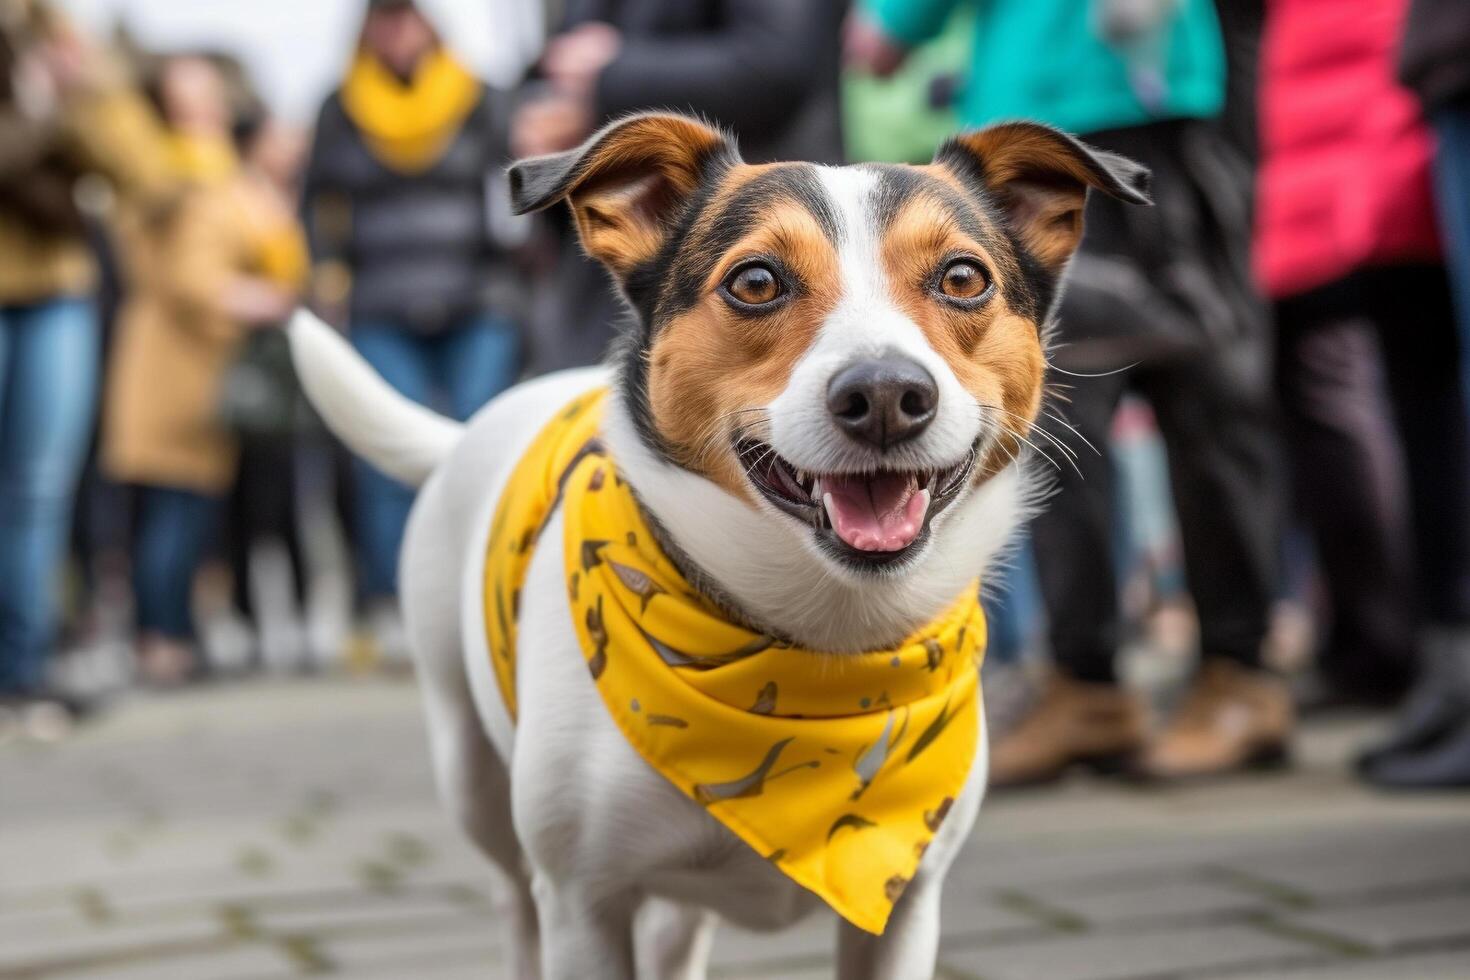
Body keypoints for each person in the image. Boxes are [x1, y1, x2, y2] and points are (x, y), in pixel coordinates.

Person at [849, 0, 1285, 784]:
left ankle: (1239, 673)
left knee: (1206, 401)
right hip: (1024, 132)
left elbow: (878, 43)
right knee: (1052, 414)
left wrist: (894, 23)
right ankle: (1086, 685)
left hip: (1141, 110)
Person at [1270, 0, 1470, 789]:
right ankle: (1442, 665)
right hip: (1397, 85)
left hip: (1391, 93)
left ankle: (1429, 656)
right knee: (1416, 396)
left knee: (1406, 400)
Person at [302, 0, 522, 632]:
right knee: (388, 451)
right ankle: (404, 603)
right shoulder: (339, 108)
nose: (397, 32)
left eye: (407, 17)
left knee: (482, 442)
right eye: (385, 18)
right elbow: (315, 203)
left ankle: (485, 589)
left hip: (477, 300)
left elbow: (511, 187)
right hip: (380, 303)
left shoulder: (480, 98)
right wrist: (325, 270)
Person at [102, 55, 304, 685]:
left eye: (208, 92)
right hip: (177, 368)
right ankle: (162, 641)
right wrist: (259, 297)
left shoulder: (213, 172)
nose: (204, 106)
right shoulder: (175, 176)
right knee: (174, 512)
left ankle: (174, 637)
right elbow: (192, 278)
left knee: (186, 513)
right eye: (188, 95)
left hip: (198, 364)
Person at [511, 0, 848, 374]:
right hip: (600, 247)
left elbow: (775, 63)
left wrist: (611, 75)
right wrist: (540, 116)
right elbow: (559, 60)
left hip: (756, 225)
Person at [0, 1, 170, 724]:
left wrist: (84, 87)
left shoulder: (57, 41)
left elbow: (150, 176)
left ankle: (24, 669)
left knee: (40, 490)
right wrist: (48, 125)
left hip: (58, 289)